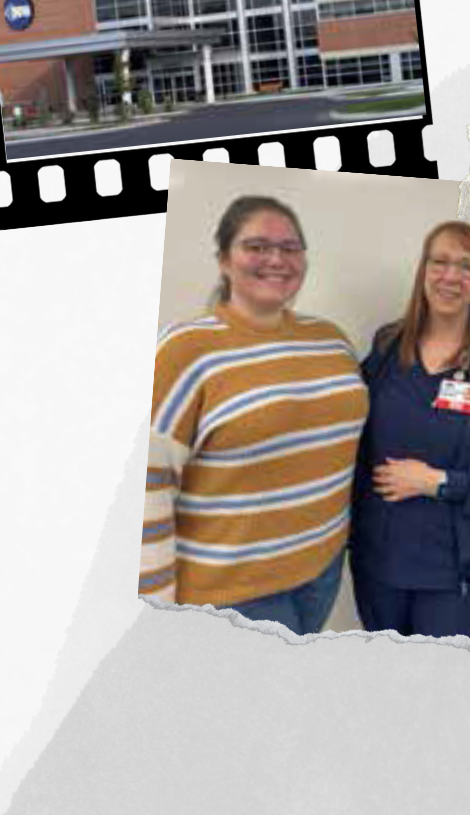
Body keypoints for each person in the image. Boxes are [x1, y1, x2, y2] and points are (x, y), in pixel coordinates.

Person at [140, 195, 369, 636]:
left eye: (290, 247)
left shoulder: (332, 341)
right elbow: (147, 489)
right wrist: (155, 615)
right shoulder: (185, 349)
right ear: (224, 259)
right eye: (257, 246)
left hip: (320, 572)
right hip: (233, 594)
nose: (276, 259)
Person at [349, 221, 470, 638]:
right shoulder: (386, 350)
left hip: (455, 575)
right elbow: (350, 445)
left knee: (434, 690)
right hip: (380, 562)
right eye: (441, 262)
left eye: (468, 266)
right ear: (424, 270)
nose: (452, 276)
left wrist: (439, 482)